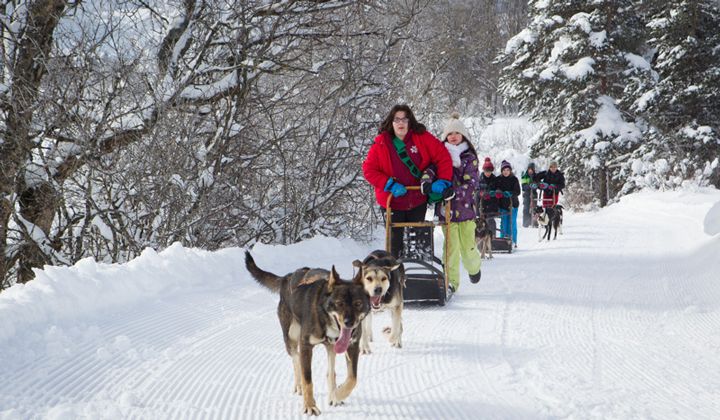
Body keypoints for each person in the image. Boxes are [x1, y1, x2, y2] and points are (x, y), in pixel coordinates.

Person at [362, 104, 453, 258]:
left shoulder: (422, 138)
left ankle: (415, 277)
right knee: (395, 244)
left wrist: (443, 181)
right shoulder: (381, 143)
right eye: (397, 119)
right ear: (391, 123)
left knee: (416, 243)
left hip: (416, 199)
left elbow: (442, 157)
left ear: (410, 122)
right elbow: (369, 170)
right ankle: (395, 277)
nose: (401, 123)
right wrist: (389, 184)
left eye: (404, 119)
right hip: (392, 201)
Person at [421, 113, 482, 291]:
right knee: (450, 249)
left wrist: (454, 193)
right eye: (449, 134)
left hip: (465, 211)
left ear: (463, 136)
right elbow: (430, 170)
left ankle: (474, 267)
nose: (453, 136)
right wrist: (426, 181)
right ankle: (451, 282)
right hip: (446, 212)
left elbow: (472, 183)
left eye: (456, 133)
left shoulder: (469, 158)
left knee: (467, 248)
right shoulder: (440, 155)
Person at [495, 160, 521, 247]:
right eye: (504, 170)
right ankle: (503, 241)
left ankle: (513, 241)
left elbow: (518, 191)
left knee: (512, 223)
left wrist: (510, 193)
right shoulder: (498, 179)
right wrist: (498, 191)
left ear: (510, 171)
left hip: (512, 205)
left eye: (507, 170)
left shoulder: (514, 179)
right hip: (502, 205)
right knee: (504, 223)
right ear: (502, 171)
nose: (506, 172)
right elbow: (495, 189)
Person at [478, 157, 498, 234]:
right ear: (484, 170)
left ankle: (492, 236)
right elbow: (477, 189)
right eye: (486, 171)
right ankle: (482, 237)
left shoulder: (495, 179)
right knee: (482, 221)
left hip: (492, 204)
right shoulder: (480, 179)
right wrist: (481, 193)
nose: (488, 173)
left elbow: (497, 189)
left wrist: (493, 193)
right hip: (482, 204)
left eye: (489, 171)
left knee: (490, 220)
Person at [521, 162, 538, 227]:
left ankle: (535, 222)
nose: (530, 170)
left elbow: (538, 184)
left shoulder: (536, 176)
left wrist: (536, 185)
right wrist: (529, 186)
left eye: (532, 169)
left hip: (534, 194)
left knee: (534, 208)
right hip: (527, 194)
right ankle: (526, 222)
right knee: (526, 208)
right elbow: (523, 186)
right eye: (529, 169)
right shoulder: (525, 176)